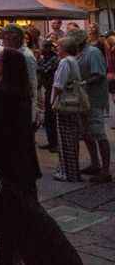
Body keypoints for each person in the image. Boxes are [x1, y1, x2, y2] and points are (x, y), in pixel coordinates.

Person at [0, 48, 41, 201]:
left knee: (12, 199)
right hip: (20, 156)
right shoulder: (20, 90)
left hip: (5, 157)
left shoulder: (2, 94)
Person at [68, 29, 112, 183]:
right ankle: (95, 163)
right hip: (83, 99)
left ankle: (105, 171)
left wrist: (83, 83)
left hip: (94, 99)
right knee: (86, 133)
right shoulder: (78, 53)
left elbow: (99, 74)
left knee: (99, 133)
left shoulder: (92, 52)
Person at [52, 37, 84, 182]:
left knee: (65, 140)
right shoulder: (74, 60)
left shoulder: (65, 62)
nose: (56, 49)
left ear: (64, 48)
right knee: (72, 139)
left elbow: (58, 85)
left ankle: (67, 172)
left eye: (58, 47)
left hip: (65, 104)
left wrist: (52, 102)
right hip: (74, 103)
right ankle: (72, 171)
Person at [1, 24, 38, 122]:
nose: (3, 41)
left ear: (14, 38)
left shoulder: (26, 56)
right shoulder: (12, 52)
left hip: (22, 104)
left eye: (5, 37)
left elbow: (31, 83)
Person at [37, 40, 60, 153]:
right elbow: (40, 72)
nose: (43, 49)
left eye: (45, 47)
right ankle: (51, 141)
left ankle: (55, 143)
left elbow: (45, 71)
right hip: (47, 89)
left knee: (52, 117)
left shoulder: (55, 59)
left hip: (54, 89)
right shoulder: (42, 59)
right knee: (48, 118)